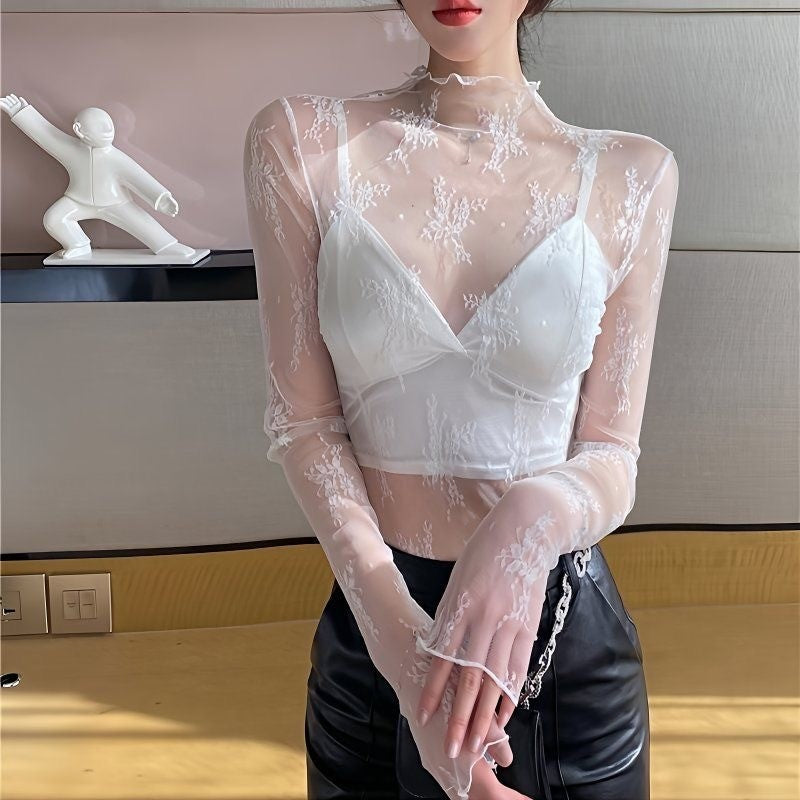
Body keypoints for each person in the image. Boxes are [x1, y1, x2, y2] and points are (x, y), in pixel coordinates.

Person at [242, 2, 679, 798]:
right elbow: (304, 424)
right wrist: (406, 658)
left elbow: (611, 454)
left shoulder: (632, 174)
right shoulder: (301, 142)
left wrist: (529, 517)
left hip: (562, 649)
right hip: (373, 639)